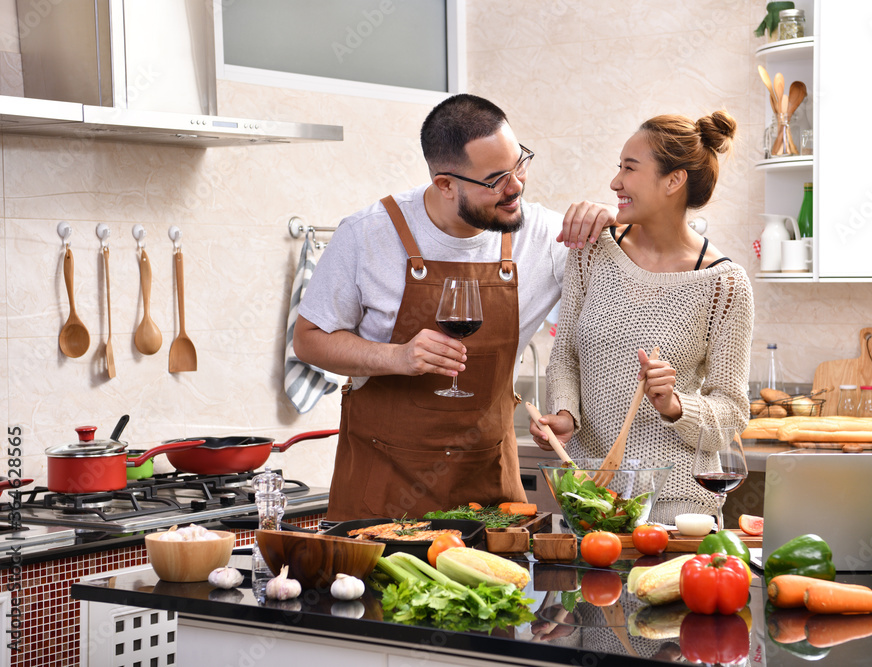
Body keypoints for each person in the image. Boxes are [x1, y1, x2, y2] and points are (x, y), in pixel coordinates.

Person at [293, 94, 616, 520]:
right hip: (382, 493)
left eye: (520, 163)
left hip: (489, 493)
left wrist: (615, 218)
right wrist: (398, 356)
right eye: (496, 178)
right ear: (445, 184)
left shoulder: (545, 236)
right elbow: (309, 341)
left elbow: (635, 288)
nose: (516, 186)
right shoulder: (367, 234)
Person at [531, 111, 754, 523]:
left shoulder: (725, 285)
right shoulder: (591, 252)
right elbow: (565, 357)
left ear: (674, 181)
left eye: (629, 169)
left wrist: (674, 406)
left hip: (678, 508)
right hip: (590, 499)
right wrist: (564, 414)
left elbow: (732, 413)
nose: (615, 182)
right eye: (619, 168)